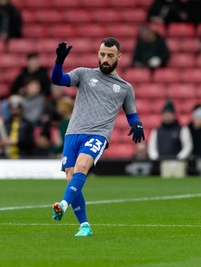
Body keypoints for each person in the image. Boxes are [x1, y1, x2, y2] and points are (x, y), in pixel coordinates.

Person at [50, 38, 145, 237]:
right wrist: (58, 62)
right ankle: (84, 225)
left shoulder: (125, 88)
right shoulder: (84, 74)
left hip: (98, 135)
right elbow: (58, 80)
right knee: (71, 177)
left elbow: (131, 114)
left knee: (82, 167)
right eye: (102, 54)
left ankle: (63, 204)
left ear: (119, 57)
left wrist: (136, 124)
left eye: (110, 55)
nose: (105, 58)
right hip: (73, 133)